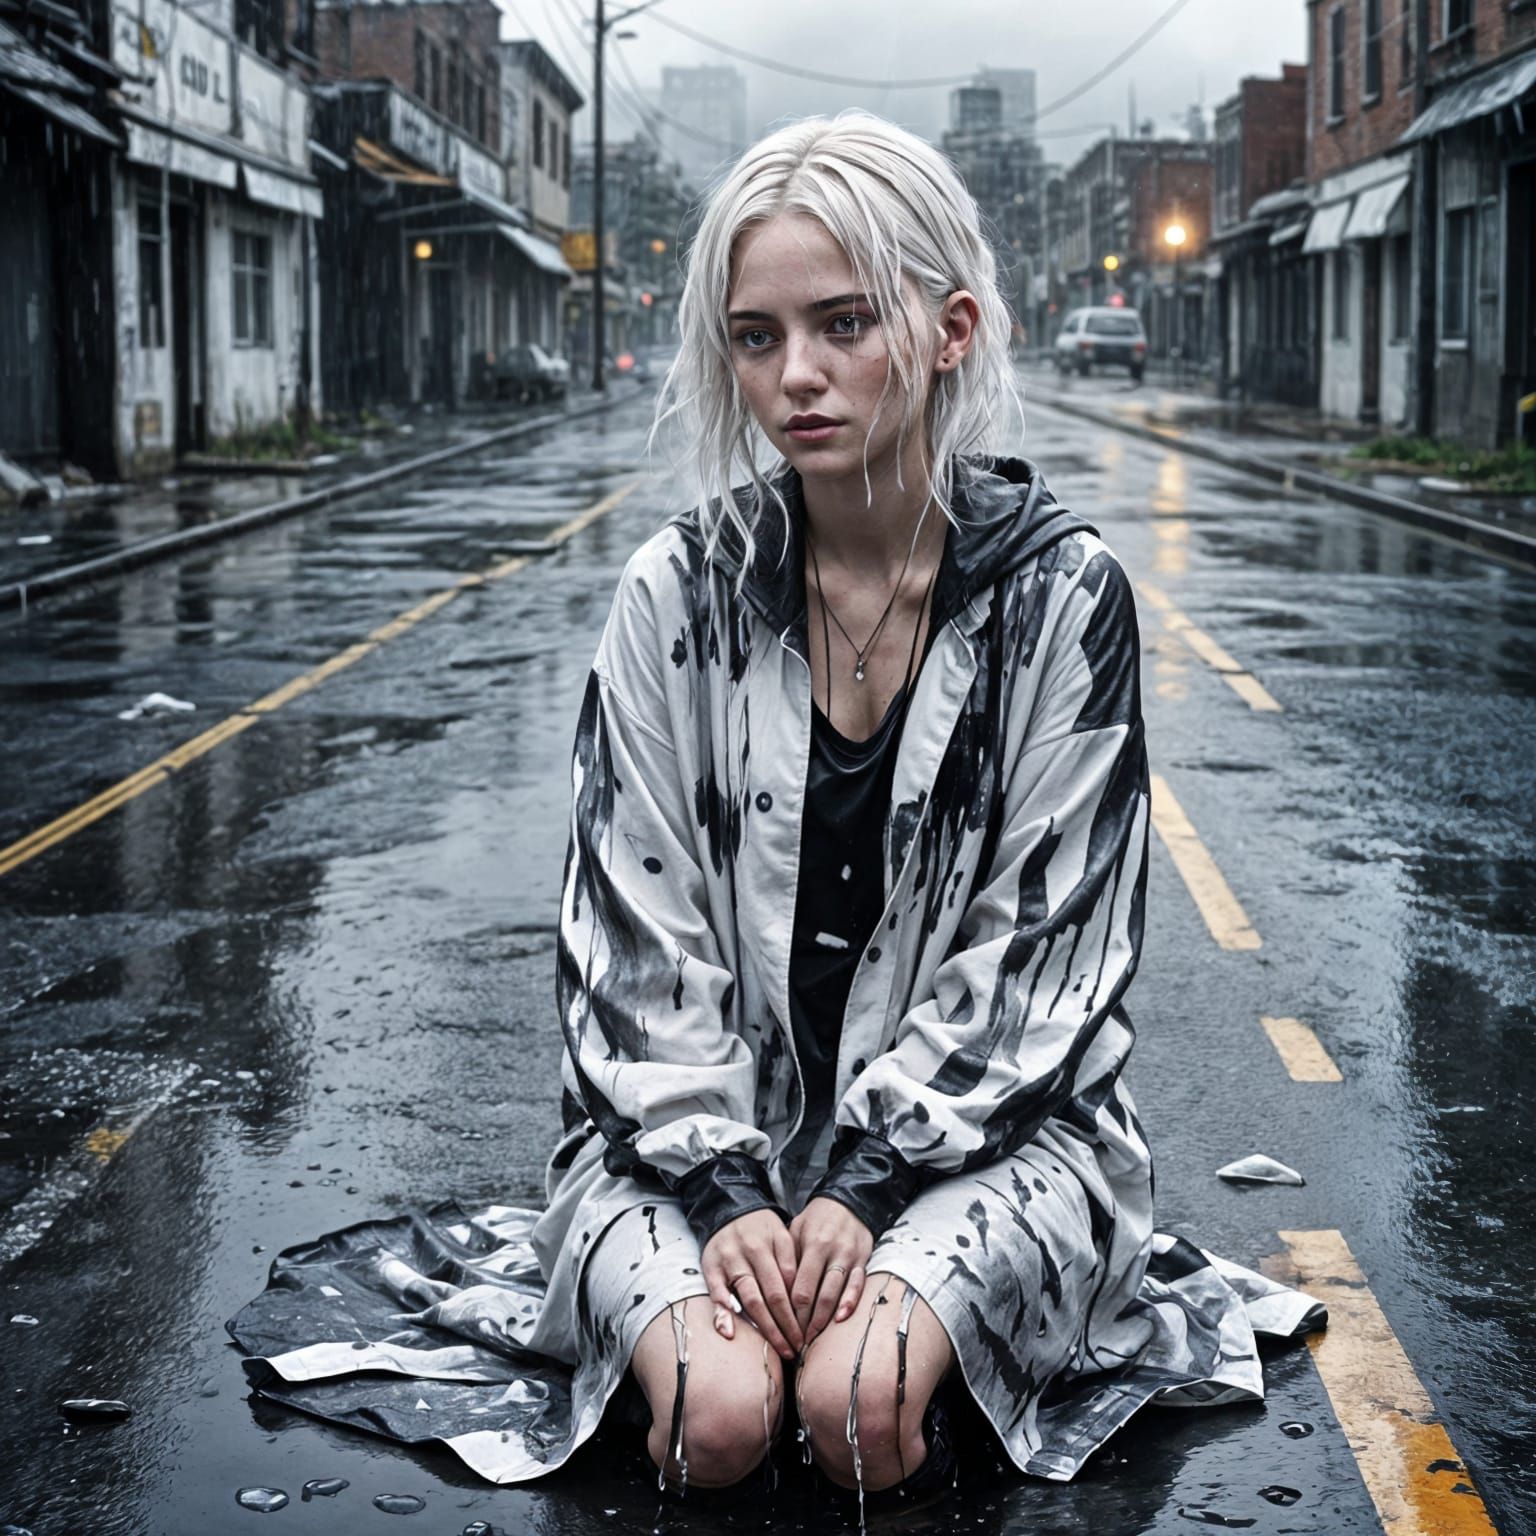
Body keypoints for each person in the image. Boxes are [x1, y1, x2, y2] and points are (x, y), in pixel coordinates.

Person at [229, 111, 1323, 1502]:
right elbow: (630, 947)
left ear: (951, 330)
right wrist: (727, 1191)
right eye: (756, 336)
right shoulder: (672, 596)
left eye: (844, 323)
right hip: (680, 1147)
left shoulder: (1063, 600)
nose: (796, 374)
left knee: (859, 1409)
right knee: (721, 1417)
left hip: (995, 1145)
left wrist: (866, 1189)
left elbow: (1043, 970)